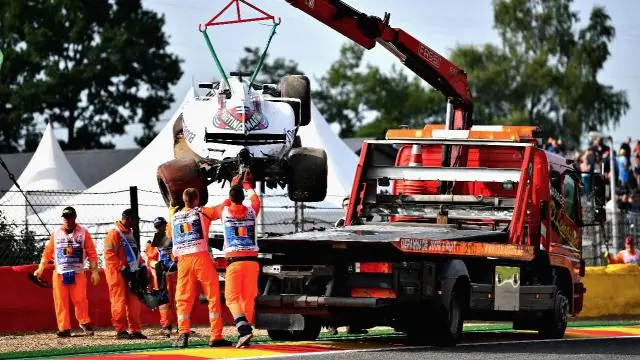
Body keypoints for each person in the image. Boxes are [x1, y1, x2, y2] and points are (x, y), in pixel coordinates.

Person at [168, 188, 233, 349]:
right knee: (213, 296)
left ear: (184, 200)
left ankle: (183, 334)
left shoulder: (174, 217)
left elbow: (170, 236)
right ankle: (215, 336)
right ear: (196, 200)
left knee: (182, 299)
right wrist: (230, 196)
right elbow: (221, 210)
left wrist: (171, 212)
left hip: (183, 261)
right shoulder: (202, 212)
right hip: (201, 258)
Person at [33, 206, 100, 337]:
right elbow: (47, 253)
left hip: (78, 272)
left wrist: (95, 271)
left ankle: (84, 322)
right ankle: (64, 328)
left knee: (80, 299)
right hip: (60, 273)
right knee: (60, 300)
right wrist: (40, 268)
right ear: (62, 219)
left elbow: (92, 252)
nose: (67, 221)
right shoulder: (56, 233)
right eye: (65, 218)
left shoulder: (84, 232)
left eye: (70, 218)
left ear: (75, 218)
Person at [103, 208, 148, 340]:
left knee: (134, 302)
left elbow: (135, 253)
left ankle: (135, 330)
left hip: (131, 273)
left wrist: (143, 266)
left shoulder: (130, 233)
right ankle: (120, 330)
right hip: (117, 274)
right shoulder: (113, 233)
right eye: (135, 220)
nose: (136, 223)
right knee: (119, 302)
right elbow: (109, 255)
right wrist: (123, 269)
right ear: (128, 218)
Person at [330, 197, 368, 335]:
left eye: (350, 204)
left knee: (357, 294)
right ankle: (333, 326)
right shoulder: (339, 223)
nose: (348, 207)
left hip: (355, 263)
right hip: (342, 264)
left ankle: (354, 326)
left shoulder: (360, 223)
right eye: (345, 205)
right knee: (338, 292)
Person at [147, 216, 179, 337]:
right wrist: (156, 265)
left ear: (166, 226)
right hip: (163, 274)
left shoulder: (174, 237)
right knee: (164, 300)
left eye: (161, 225)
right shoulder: (153, 242)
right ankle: (166, 326)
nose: (159, 228)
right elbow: (149, 260)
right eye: (157, 226)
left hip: (176, 272)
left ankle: (181, 326)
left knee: (178, 299)